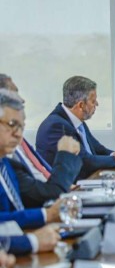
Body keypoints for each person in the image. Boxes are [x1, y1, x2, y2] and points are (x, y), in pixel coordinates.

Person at [0, 75, 82, 207]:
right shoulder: (57, 124)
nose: (22, 100)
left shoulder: (10, 152)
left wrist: (62, 183)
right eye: (14, 94)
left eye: (21, 126)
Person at [0, 91, 61, 254]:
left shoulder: (5, 163)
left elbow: (11, 215)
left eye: (21, 127)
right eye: (12, 124)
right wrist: (32, 240)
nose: (18, 134)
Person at [36, 76, 115, 179]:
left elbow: (98, 149)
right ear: (81, 105)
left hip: (89, 180)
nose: (97, 104)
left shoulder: (76, 120)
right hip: (71, 189)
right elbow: (85, 161)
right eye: (93, 101)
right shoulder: (56, 126)